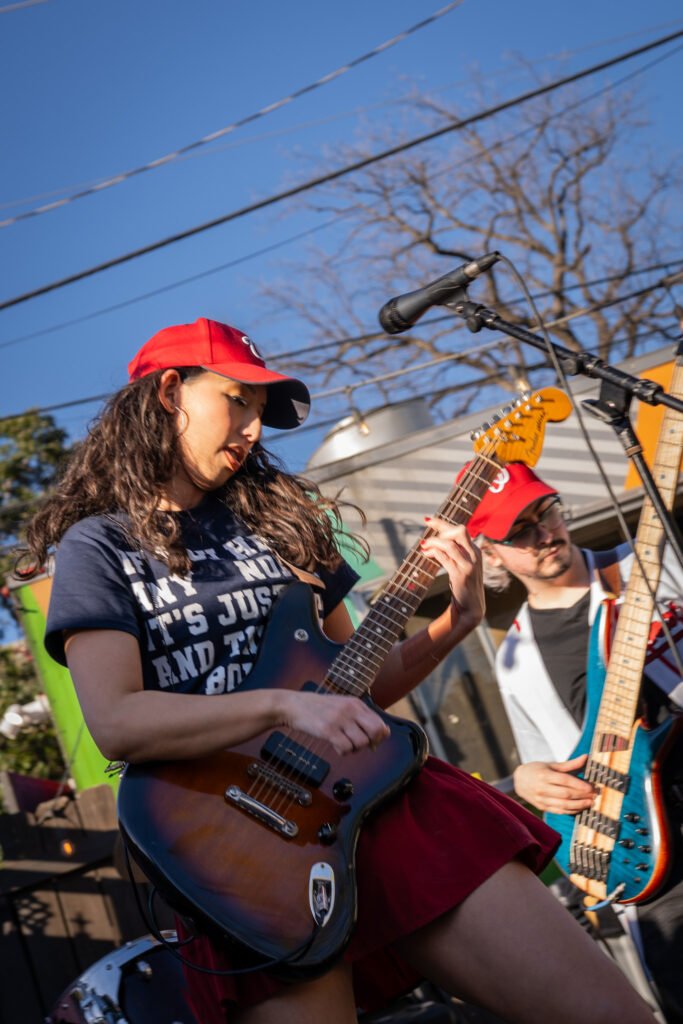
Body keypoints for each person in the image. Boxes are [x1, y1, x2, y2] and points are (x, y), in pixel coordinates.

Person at [25, 317, 659, 1024]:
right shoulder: (98, 548)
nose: (253, 429)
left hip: (375, 801)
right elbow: (116, 721)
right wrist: (280, 706)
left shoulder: (283, 523)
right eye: (237, 401)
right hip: (233, 850)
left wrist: (456, 622)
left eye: (261, 411)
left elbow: (354, 687)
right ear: (170, 392)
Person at [463, 460, 683, 1023]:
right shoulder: (515, 659)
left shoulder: (651, 563)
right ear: (492, 555)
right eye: (521, 531)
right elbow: (544, 767)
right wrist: (528, 780)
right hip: (649, 852)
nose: (545, 534)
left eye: (547, 512)